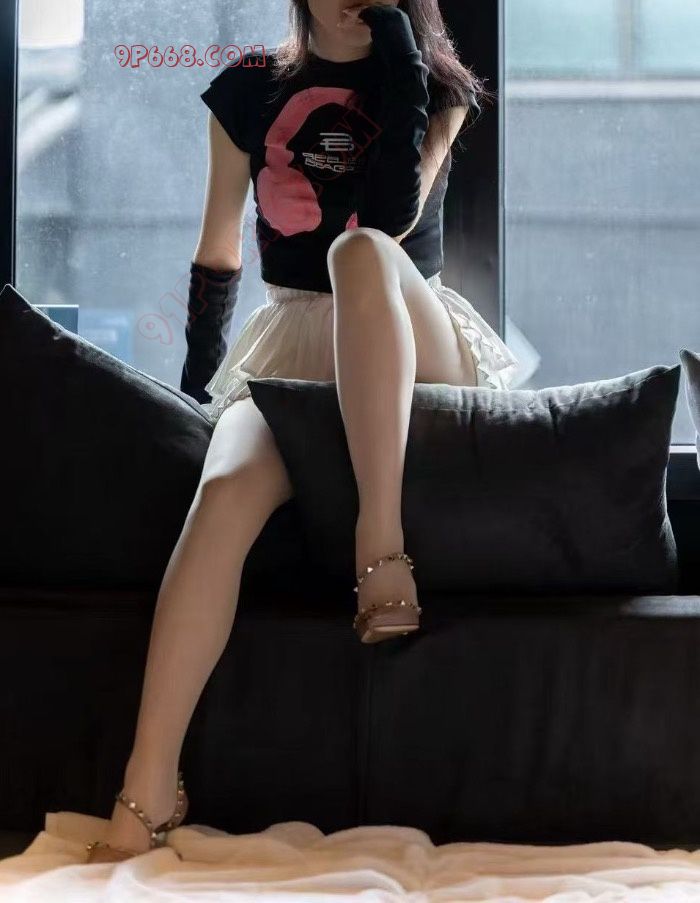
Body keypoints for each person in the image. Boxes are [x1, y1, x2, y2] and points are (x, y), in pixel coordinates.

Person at [86, 0, 519, 863]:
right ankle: (147, 788)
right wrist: (193, 393)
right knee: (221, 491)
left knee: (357, 253)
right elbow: (218, 254)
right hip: (291, 333)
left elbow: (387, 220)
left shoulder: (436, 88)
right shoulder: (247, 90)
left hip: (408, 330)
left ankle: (381, 546)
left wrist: (400, 53)